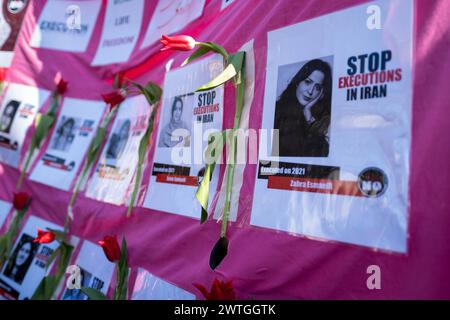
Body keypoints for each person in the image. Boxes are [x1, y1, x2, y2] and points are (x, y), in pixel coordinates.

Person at [273, 59, 332, 157]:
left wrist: (308, 116)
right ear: (298, 82)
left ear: (321, 93)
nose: (310, 91)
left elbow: (321, 154)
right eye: (308, 82)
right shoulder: (277, 111)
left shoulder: (320, 118)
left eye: (317, 87)